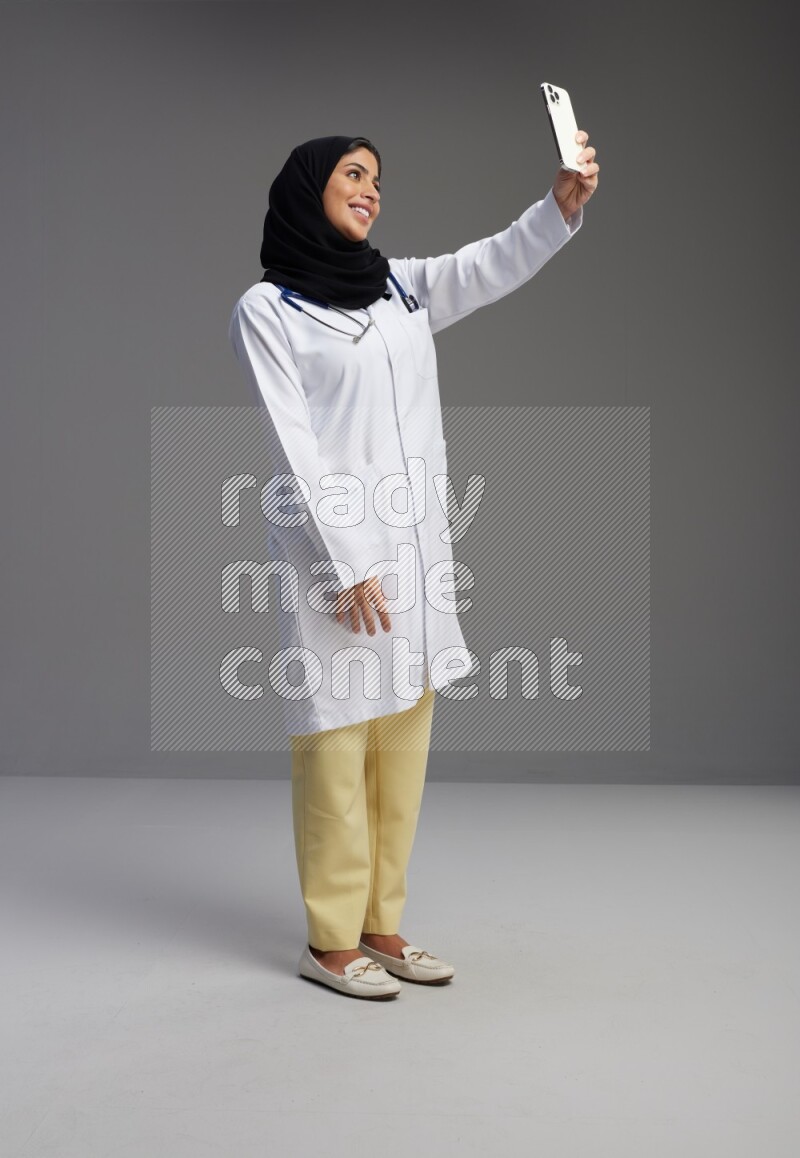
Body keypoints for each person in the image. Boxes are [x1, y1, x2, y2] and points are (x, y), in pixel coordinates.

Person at [229, 131, 599, 999]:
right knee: (334, 747)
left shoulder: (398, 287)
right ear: (309, 189)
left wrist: (557, 210)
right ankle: (328, 941)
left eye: (379, 181)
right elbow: (296, 449)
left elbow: (486, 266)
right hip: (336, 565)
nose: (371, 192)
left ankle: (381, 925)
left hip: (417, 556)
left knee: (402, 743)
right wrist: (346, 562)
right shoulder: (269, 310)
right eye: (354, 176)